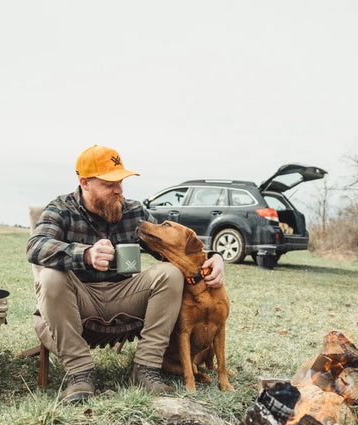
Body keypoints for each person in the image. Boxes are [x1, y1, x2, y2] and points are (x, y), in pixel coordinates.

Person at [27, 145, 225, 402]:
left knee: (169, 273)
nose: (119, 189)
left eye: (120, 181)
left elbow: (175, 244)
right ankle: (80, 374)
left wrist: (214, 257)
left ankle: (146, 369)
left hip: (124, 296)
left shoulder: (133, 212)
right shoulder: (61, 208)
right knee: (50, 277)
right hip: (79, 298)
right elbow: (36, 246)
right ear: (84, 183)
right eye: (109, 184)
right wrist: (85, 254)